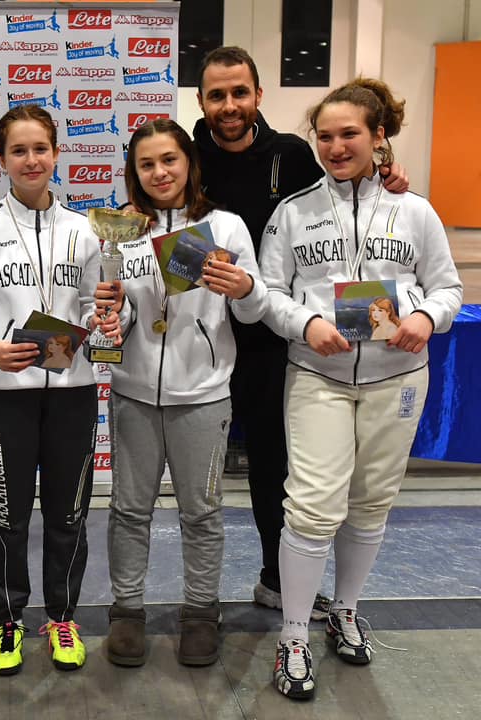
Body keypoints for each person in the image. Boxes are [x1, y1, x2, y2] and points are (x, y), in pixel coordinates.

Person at [259, 78, 462, 701]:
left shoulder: (415, 210)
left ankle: (346, 610)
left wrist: (427, 318)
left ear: (379, 138)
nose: (336, 146)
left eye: (350, 134)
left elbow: (448, 287)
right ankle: (294, 633)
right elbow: (267, 294)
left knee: (372, 503)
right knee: (314, 505)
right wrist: (307, 322)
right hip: (318, 377)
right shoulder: (292, 212)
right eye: (325, 135)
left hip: (397, 379)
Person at [192, 47, 408, 619]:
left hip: (277, 342)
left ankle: (275, 580)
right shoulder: (186, 159)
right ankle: (196, 599)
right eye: (218, 95)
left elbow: (342, 215)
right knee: (195, 474)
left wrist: (384, 175)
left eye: (240, 92)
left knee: (275, 465)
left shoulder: (291, 154)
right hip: (200, 338)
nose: (230, 105)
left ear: (259, 95)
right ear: (202, 102)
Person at [97, 119, 268, 668]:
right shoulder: (121, 231)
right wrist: (108, 314)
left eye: (169, 159)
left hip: (204, 396)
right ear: (135, 172)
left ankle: (200, 612)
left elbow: (251, 310)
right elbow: (116, 315)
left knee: (202, 512)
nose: (160, 172)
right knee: (128, 510)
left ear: (189, 163)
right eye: (147, 164)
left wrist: (244, 288)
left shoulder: (227, 226)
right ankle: (126, 611)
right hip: (134, 393)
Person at [0, 105, 101, 676]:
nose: (31, 159)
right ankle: (8, 622)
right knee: (5, 518)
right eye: (19, 150)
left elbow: (93, 305)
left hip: (72, 393)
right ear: (1, 160)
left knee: (69, 515)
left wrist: (107, 319)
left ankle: (62, 617)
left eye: (40, 148)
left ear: (57, 153)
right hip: (4, 396)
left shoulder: (86, 230)